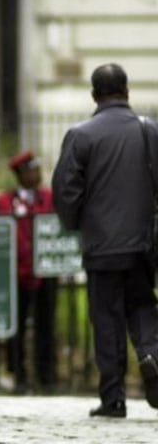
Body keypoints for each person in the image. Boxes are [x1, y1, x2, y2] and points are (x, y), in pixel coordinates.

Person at [52, 62, 158, 418]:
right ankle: (151, 355)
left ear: (94, 95)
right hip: (142, 243)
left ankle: (113, 398)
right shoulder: (149, 132)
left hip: (101, 247)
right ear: (126, 91)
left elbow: (65, 193)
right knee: (143, 306)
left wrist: (81, 222)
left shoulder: (80, 136)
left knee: (107, 318)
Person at [0, 150, 57, 394]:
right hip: (17, 274)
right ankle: (18, 374)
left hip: (45, 272)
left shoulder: (49, 198)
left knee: (46, 325)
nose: (36, 174)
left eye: (38, 169)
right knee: (16, 325)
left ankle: (46, 375)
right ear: (20, 174)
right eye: (31, 170)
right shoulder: (5, 202)